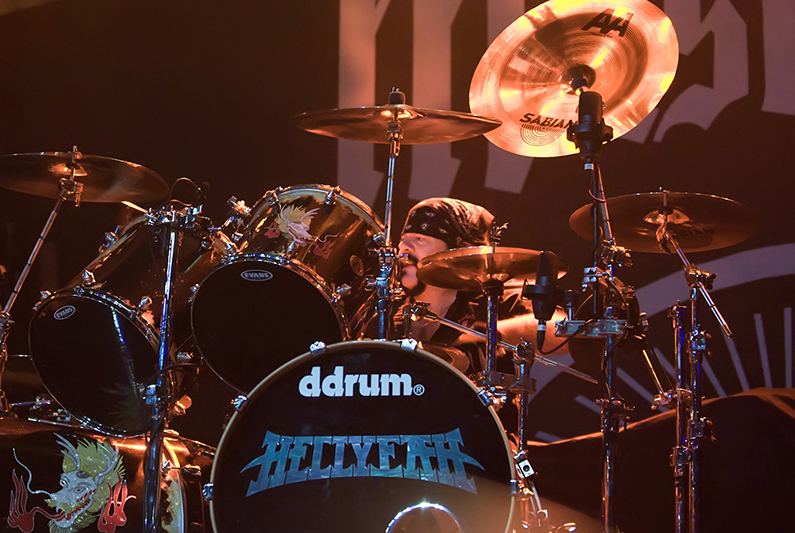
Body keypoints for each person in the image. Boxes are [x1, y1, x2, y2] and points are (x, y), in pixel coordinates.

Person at [394, 197, 566, 375]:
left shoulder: (493, 299)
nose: (403, 247)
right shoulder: (387, 310)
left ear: (455, 250)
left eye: (420, 239)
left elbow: (560, 329)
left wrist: (493, 334)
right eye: (403, 239)